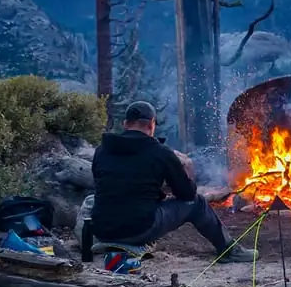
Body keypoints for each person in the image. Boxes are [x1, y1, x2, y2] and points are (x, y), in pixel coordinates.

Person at [88, 100, 249, 263]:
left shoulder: (102, 150)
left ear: (125, 124)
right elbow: (186, 194)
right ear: (151, 125)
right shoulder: (160, 152)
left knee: (95, 200)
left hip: (102, 229)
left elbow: (104, 183)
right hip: (139, 229)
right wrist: (188, 171)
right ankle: (229, 250)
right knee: (197, 203)